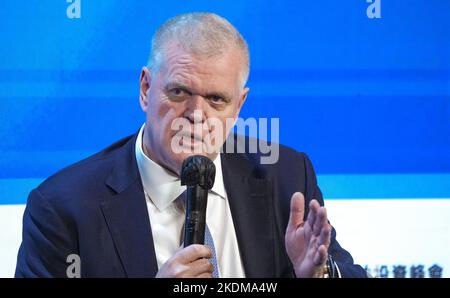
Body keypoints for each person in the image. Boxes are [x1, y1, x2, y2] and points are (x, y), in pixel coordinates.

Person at [15, 12, 367, 278]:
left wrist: (319, 275)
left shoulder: (285, 176)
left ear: (239, 105)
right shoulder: (63, 208)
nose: (197, 115)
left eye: (216, 99)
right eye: (179, 92)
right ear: (145, 89)